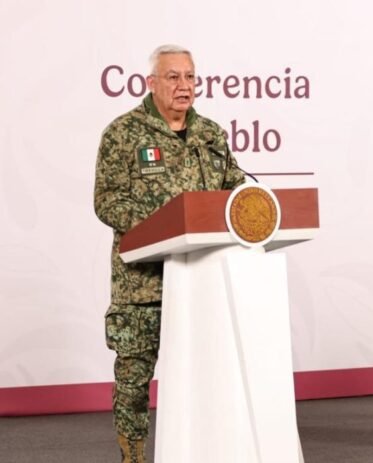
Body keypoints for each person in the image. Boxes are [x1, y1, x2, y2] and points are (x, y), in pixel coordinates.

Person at [94, 44, 245, 463]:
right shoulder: (123, 133)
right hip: (143, 286)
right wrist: (163, 223)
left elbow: (234, 188)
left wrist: (252, 202)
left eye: (190, 77)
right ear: (152, 83)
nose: (184, 85)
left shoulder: (210, 135)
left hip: (201, 281)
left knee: (206, 377)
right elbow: (107, 200)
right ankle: (133, 457)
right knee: (133, 384)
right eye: (173, 77)